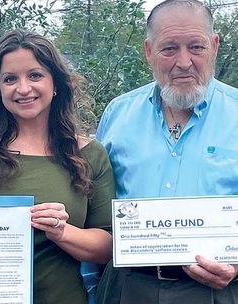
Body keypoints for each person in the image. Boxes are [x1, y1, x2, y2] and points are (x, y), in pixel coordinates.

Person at [0, 29, 115, 304]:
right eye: (10, 79)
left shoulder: (90, 153)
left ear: (56, 83)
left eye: (35, 75)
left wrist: (62, 231)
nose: (23, 88)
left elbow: (109, 247)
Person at [95, 0, 238, 303]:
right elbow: (93, 208)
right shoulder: (117, 115)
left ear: (214, 46)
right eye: (169, 48)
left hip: (217, 291)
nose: (184, 62)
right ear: (149, 51)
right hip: (128, 287)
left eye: (196, 47)